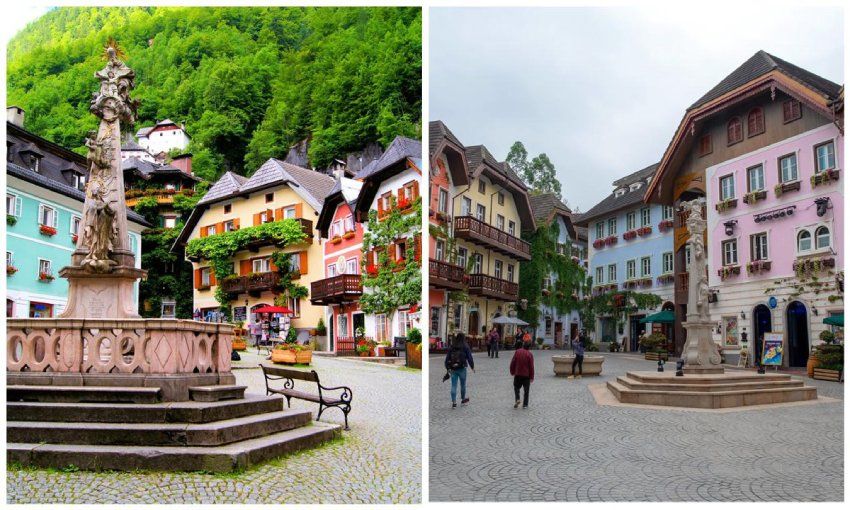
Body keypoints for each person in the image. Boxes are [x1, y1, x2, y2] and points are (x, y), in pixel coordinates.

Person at [445, 333, 474, 408]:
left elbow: (447, 358)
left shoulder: (452, 346)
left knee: (453, 385)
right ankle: (463, 400)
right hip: (462, 368)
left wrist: (447, 367)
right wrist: (472, 367)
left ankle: (454, 403)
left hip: (453, 369)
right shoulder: (465, 346)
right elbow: (469, 358)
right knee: (463, 385)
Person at [509, 340, 535, 408]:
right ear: (529, 347)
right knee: (526, 390)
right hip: (526, 375)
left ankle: (517, 399)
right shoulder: (529, 354)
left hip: (518, 373)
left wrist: (512, 371)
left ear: (523, 345)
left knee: (516, 387)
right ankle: (525, 405)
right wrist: (532, 377)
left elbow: (513, 362)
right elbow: (531, 366)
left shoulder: (517, 352)